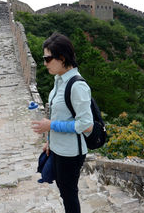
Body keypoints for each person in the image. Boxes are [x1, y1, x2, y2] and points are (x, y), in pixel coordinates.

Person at [32, 32, 93, 213]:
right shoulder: (59, 81)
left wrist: (50, 126)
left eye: (48, 58)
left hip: (71, 153)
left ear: (62, 58)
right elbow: (61, 116)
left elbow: (85, 124)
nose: (44, 63)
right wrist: (50, 140)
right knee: (63, 191)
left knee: (69, 194)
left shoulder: (77, 86)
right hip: (58, 149)